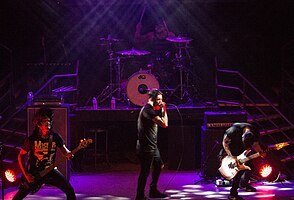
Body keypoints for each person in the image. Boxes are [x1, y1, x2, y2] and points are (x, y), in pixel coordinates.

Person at [13, 108, 76, 200]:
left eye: (49, 120)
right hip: (35, 174)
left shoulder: (55, 137)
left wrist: (70, 155)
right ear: (39, 124)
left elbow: (65, 152)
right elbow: (20, 156)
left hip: (50, 170)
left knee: (69, 190)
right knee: (18, 197)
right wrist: (26, 174)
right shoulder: (32, 139)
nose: (48, 123)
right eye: (44, 121)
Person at [135, 89, 169, 200]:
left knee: (158, 166)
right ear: (151, 99)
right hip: (145, 147)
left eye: (161, 100)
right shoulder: (147, 110)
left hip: (152, 146)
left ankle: (153, 191)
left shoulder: (152, 109)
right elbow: (164, 124)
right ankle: (139, 196)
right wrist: (164, 109)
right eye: (158, 99)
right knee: (145, 172)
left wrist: (161, 109)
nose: (160, 102)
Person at [221, 122, 266, 200]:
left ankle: (244, 184)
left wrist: (260, 152)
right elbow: (225, 144)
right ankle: (233, 194)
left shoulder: (255, 132)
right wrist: (233, 157)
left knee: (250, 167)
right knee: (238, 172)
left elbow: (255, 144)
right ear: (242, 136)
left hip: (242, 152)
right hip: (230, 151)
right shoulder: (232, 130)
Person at [134, 19, 176, 86]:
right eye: (156, 25)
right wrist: (138, 29)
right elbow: (137, 40)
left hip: (167, 62)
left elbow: (176, 48)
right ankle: (154, 94)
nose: (157, 27)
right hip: (154, 62)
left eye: (160, 25)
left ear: (165, 27)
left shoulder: (170, 35)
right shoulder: (152, 35)